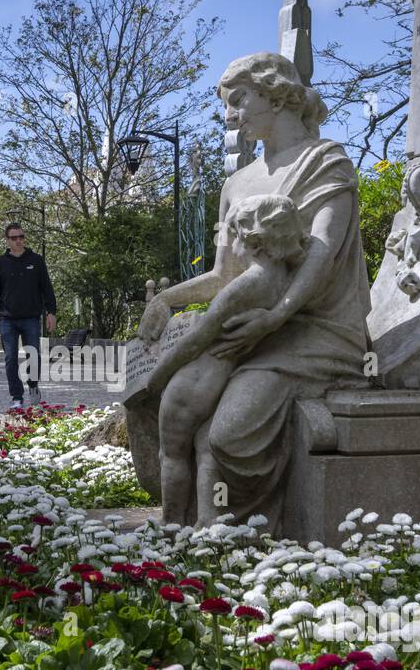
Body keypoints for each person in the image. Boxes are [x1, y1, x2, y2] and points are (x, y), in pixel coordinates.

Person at [132, 51, 371, 532]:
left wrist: (275, 317)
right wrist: (166, 300)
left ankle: (244, 536)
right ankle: (199, 532)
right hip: (251, 330)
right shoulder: (237, 183)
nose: (230, 114)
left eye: (239, 100)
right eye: (226, 104)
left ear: (275, 94)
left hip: (312, 332)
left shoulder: (326, 162)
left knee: (225, 432)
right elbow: (225, 275)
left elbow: (321, 256)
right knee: (188, 421)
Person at [147, 194, 306, 525]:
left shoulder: (248, 283)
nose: (229, 245)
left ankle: (171, 524)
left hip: (194, 382)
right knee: (205, 447)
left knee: (172, 454)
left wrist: (157, 374)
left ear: (253, 239)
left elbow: (198, 337)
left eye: (232, 234)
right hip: (224, 375)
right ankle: (207, 522)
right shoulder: (283, 278)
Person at [0, 223, 57, 410]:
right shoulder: (0, 263)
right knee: (10, 358)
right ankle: (16, 397)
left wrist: (51, 312)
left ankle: (33, 385)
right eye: (14, 238)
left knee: (33, 355)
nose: (18, 241)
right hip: (7, 319)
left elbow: (47, 288)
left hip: (31, 318)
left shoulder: (37, 260)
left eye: (21, 237)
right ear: (7, 240)